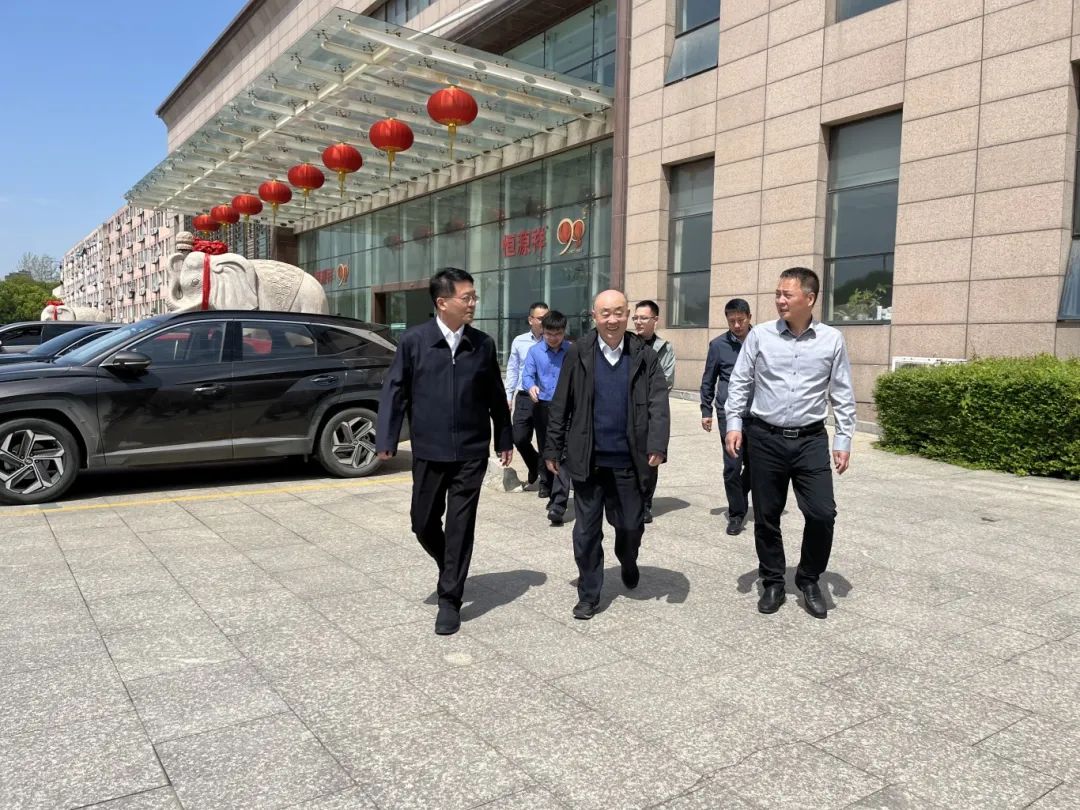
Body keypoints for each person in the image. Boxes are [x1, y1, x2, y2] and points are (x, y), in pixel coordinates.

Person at [376, 267, 513, 636]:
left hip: (470, 450)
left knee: (459, 526)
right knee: (422, 523)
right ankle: (449, 564)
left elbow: (495, 394)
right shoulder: (415, 341)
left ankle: (450, 597)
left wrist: (504, 437)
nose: (473, 303)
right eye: (466, 297)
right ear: (442, 302)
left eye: (473, 297)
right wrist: (386, 437)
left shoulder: (482, 344)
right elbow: (395, 391)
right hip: (429, 450)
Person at [724, 267, 855, 620]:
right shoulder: (760, 336)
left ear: (809, 299)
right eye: (778, 294)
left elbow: (842, 392)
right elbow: (740, 381)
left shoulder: (832, 340)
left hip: (811, 439)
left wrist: (843, 439)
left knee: (822, 513)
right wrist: (734, 424)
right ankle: (772, 581)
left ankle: (809, 578)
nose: (780, 300)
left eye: (787, 294)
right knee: (766, 515)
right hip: (765, 438)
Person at [545, 290, 670, 620]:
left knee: (630, 526)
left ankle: (628, 558)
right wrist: (553, 447)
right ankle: (589, 593)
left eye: (618, 313)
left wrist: (657, 445)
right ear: (594, 316)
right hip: (588, 459)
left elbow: (658, 403)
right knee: (586, 532)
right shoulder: (579, 352)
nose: (612, 320)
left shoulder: (644, 355)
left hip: (629, 460)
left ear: (628, 315)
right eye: (605, 313)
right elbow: (561, 402)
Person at [700, 299, 753, 536]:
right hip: (728, 414)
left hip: (758, 415)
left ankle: (739, 496)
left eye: (741, 320)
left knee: (756, 465)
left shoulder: (762, 340)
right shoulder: (718, 345)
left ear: (749, 317)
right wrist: (706, 411)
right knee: (732, 466)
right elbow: (708, 379)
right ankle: (736, 514)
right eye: (732, 321)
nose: (737, 325)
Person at [521, 310, 572, 526]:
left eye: (558, 334)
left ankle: (559, 502)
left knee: (564, 452)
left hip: (567, 408)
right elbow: (527, 375)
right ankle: (550, 488)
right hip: (543, 406)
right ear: (543, 331)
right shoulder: (534, 352)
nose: (553, 338)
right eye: (549, 334)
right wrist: (531, 386)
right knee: (546, 450)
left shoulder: (571, 351)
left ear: (564, 332)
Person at [632, 299, 675, 523]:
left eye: (643, 318)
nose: (638, 322)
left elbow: (666, 381)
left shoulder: (664, 348)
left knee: (650, 456)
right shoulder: (627, 343)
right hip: (630, 409)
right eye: (636, 318)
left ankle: (646, 503)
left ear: (655, 320)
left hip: (652, 409)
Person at [503, 301, 549, 492]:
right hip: (524, 397)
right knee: (519, 437)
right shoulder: (519, 341)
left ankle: (546, 482)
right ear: (531, 320)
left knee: (545, 440)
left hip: (546, 398)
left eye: (547, 318)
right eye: (540, 318)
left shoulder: (553, 340)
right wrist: (508, 395)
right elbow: (513, 369)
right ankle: (536, 464)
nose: (544, 322)